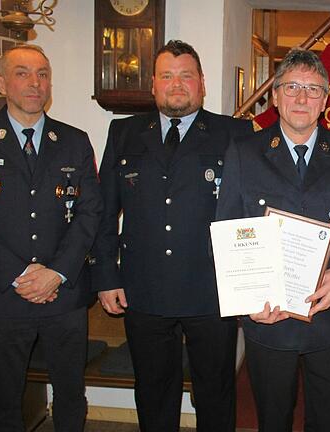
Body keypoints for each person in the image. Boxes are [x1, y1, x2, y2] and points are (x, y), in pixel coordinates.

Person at [216, 48, 330, 431]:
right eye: (291, 87)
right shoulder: (244, 154)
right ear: (274, 96)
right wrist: (248, 301)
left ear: (326, 101)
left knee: (328, 420)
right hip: (268, 318)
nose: (302, 98)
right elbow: (228, 232)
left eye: (313, 89)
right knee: (272, 418)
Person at [91, 40, 252, 431]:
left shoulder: (235, 133)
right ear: (153, 85)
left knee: (215, 393)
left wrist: (249, 281)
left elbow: (251, 212)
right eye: (167, 76)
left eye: (186, 75)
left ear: (202, 83)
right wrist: (106, 277)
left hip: (211, 290)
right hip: (144, 287)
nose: (176, 84)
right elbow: (104, 211)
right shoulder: (124, 133)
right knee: (152, 390)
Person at [0, 44, 103, 431]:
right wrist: (21, 275)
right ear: (2, 83)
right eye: (22, 73)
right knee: (4, 400)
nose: (35, 83)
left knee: (70, 395)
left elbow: (90, 212)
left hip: (62, 295)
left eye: (43, 74)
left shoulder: (73, 141)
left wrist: (56, 273)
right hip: (1, 295)